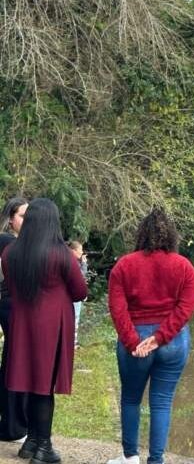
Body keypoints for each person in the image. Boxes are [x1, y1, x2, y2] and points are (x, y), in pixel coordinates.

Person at [107, 209, 194, 464]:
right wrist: (160, 337)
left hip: (135, 340)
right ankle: (156, 460)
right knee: (161, 402)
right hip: (173, 341)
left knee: (131, 399)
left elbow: (117, 307)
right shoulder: (184, 267)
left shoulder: (124, 265)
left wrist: (132, 341)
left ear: (141, 234)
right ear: (171, 235)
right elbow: (186, 307)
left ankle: (130, 458)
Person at [2, 198, 87, 463]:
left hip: (22, 323)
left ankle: (32, 443)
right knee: (43, 387)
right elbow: (80, 291)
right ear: (52, 222)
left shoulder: (10, 254)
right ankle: (44, 448)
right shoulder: (60, 254)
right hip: (51, 327)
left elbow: (13, 289)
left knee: (29, 382)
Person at [0, 197, 28, 442]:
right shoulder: (7, 242)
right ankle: (13, 424)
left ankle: (13, 422)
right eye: (22, 215)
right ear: (10, 219)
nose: (27, 220)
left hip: (15, 304)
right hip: (10, 304)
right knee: (14, 361)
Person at [66, 241, 89, 348]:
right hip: (73, 296)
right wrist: (84, 264)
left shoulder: (68, 260)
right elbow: (80, 276)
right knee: (75, 318)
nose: (82, 252)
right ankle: (72, 342)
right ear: (73, 251)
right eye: (80, 249)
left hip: (69, 295)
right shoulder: (73, 262)